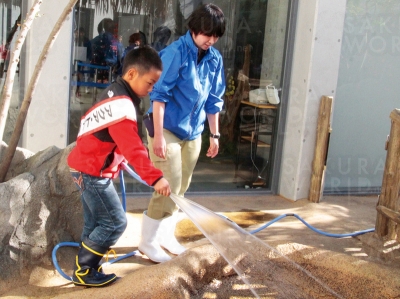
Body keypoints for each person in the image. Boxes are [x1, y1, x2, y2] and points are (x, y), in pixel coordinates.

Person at [67, 46, 171, 287]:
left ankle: (88, 267)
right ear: (132, 74)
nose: (152, 89)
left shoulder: (113, 93)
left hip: (84, 168)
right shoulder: (122, 105)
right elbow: (133, 146)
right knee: (115, 222)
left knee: (95, 223)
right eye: (150, 82)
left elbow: (107, 137)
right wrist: (155, 178)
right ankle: (84, 270)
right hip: (92, 173)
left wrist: (117, 159)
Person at [138, 3, 226, 263]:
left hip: (194, 132)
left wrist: (215, 135)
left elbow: (214, 100)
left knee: (182, 187)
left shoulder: (214, 58)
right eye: (206, 34)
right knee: (168, 185)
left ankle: (165, 236)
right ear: (194, 29)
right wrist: (159, 138)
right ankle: (147, 242)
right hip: (166, 128)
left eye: (216, 35)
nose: (211, 40)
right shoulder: (176, 52)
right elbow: (159, 95)